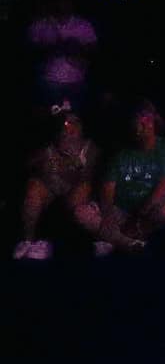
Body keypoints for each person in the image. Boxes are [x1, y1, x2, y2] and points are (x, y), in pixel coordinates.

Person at [89, 100, 165, 252]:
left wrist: (137, 220)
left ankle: (114, 240)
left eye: (146, 117)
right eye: (137, 118)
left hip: (147, 214)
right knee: (82, 213)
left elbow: (164, 187)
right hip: (121, 211)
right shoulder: (120, 154)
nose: (142, 123)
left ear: (154, 120)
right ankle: (129, 243)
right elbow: (107, 190)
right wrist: (108, 215)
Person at [12, 102, 100, 259]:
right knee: (33, 187)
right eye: (67, 122)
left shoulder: (89, 147)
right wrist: (43, 160)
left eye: (75, 122)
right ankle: (27, 241)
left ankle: (93, 241)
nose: (71, 127)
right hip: (50, 186)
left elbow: (89, 177)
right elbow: (27, 164)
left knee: (84, 190)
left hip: (74, 191)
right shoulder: (51, 145)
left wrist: (74, 164)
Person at [26, 0, 97, 106]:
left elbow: (93, 51)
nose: (63, 5)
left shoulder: (83, 25)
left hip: (76, 82)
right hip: (48, 82)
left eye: (66, 1)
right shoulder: (41, 24)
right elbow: (30, 52)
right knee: (50, 119)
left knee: (74, 118)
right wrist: (52, 48)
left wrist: (76, 48)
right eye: (60, 1)